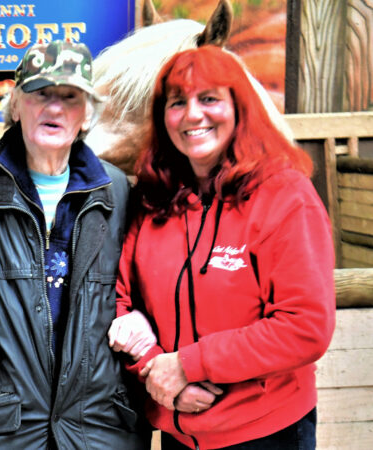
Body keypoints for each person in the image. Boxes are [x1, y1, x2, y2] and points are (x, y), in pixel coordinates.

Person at [0, 40, 150, 449]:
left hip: (96, 430)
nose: (54, 108)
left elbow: (150, 289)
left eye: (69, 97)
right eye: (40, 94)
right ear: (16, 105)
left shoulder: (118, 193)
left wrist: (144, 319)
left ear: (87, 114)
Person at [108, 45, 335, 449]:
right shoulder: (153, 200)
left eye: (209, 99)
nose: (193, 115)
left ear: (239, 108)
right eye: (178, 102)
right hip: (179, 429)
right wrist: (158, 372)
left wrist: (188, 365)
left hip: (265, 430)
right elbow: (120, 300)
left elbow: (305, 326)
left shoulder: (284, 195)